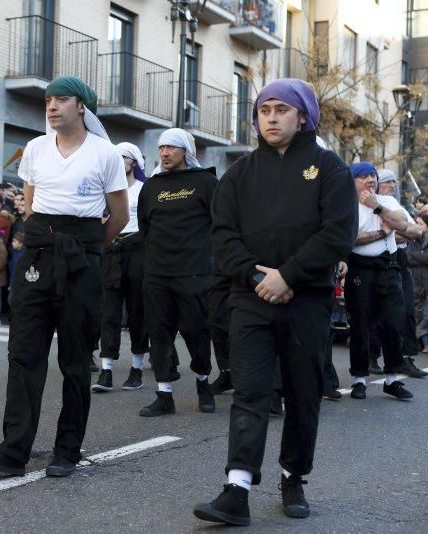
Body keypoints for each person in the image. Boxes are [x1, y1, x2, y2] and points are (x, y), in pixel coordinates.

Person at [193, 79, 357, 526]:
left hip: (307, 302)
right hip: (249, 299)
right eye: (264, 109)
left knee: (304, 393)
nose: (270, 117)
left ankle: (293, 476)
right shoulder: (238, 174)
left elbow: (338, 234)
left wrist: (288, 275)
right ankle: (237, 489)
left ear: (302, 115)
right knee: (250, 393)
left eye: (281, 109)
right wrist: (254, 275)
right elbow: (222, 237)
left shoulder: (329, 169)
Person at [0, 76, 128, 478]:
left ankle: (67, 450)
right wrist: (46, 242)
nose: (52, 106)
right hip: (37, 258)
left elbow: (120, 216)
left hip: (81, 262)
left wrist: (87, 251)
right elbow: (30, 205)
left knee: (75, 359)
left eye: (62, 99)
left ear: (83, 106)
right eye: (48, 100)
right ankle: (12, 451)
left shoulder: (104, 153)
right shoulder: (37, 149)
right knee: (23, 354)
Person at [136, 128, 217, 416]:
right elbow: (144, 227)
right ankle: (164, 394)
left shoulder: (205, 182)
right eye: (161, 148)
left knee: (197, 332)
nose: (165, 153)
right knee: (158, 333)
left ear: (185, 151)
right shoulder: (151, 186)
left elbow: (221, 225)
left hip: (194, 272)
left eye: (171, 147)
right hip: (157, 273)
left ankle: (204, 383)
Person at [345, 162, 421, 400]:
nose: (370, 180)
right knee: (360, 325)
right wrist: (381, 232)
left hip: (388, 268)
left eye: (373, 176)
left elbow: (408, 227)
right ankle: (359, 379)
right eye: (363, 176)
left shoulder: (386, 201)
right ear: (352, 181)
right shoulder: (346, 206)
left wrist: (377, 207)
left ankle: (391, 379)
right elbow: (350, 240)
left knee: (392, 323)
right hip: (360, 270)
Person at [92, 141, 149, 393]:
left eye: (123, 156)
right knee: (109, 312)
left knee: (138, 312)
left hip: (138, 250)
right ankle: (106, 370)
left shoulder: (145, 189)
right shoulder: (105, 189)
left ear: (133, 162)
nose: (117, 160)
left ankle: (136, 368)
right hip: (111, 251)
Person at [368, 169, 427, 379]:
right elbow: (375, 232)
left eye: (394, 182)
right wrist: (397, 229)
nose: (392, 185)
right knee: (376, 311)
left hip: (399, 260)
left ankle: (406, 359)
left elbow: (415, 232)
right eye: (386, 182)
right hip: (377, 259)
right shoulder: (370, 205)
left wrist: (391, 229)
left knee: (408, 309)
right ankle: (371, 356)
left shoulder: (400, 206)